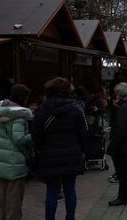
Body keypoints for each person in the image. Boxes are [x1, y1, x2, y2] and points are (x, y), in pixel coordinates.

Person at [32, 77, 87, 220]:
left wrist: (39, 149)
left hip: (49, 155)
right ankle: (70, 217)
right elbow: (83, 134)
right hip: (71, 154)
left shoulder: (43, 109)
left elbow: (36, 135)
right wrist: (82, 151)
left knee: (51, 190)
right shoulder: (75, 109)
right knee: (70, 189)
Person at [0, 84, 32, 220]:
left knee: (3, 196)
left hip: (1, 160)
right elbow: (19, 138)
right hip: (14, 161)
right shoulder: (19, 115)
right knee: (15, 199)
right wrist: (32, 137)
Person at [106, 82, 127, 206]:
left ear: (118, 94)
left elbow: (121, 129)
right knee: (125, 171)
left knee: (122, 172)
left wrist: (113, 146)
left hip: (123, 145)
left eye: (116, 94)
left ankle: (123, 197)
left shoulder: (124, 107)